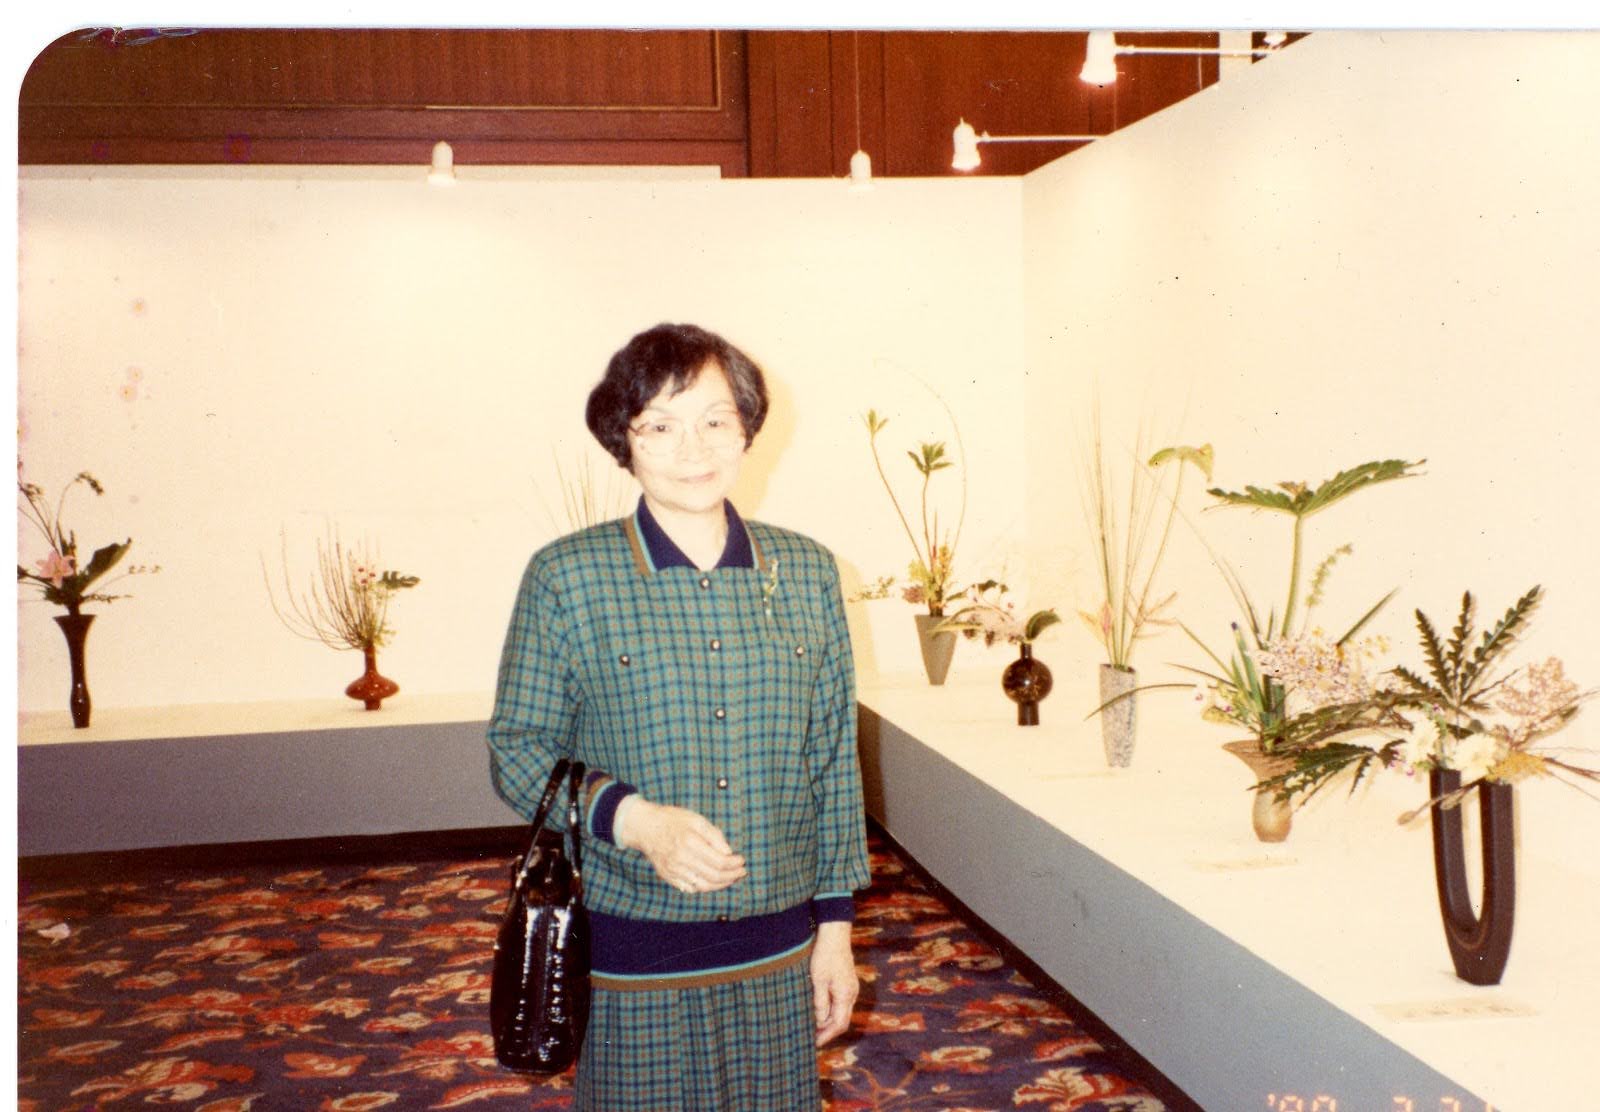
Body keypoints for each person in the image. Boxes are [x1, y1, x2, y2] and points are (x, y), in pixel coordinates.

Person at [487, 322, 871, 1110]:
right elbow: (517, 750)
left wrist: (835, 930)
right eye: (659, 426)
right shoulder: (568, 577)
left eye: (714, 420)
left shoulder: (805, 571)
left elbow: (833, 761)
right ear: (623, 443)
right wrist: (637, 823)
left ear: (747, 429)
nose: (692, 448)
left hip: (778, 940)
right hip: (636, 937)